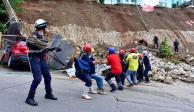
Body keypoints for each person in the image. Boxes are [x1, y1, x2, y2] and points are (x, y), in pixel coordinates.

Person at [25, 19, 61, 106]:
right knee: (37, 78)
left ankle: (48, 93)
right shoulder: (34, 37)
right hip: (34, 59)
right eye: (45, 26)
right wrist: (43, 48)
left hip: (41, 59)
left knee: (47, 77)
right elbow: (32, 44)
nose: (46, 28)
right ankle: (29, 98)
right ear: (43, 27)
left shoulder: (42, 37)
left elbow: (44, 48)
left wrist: (54, 48)